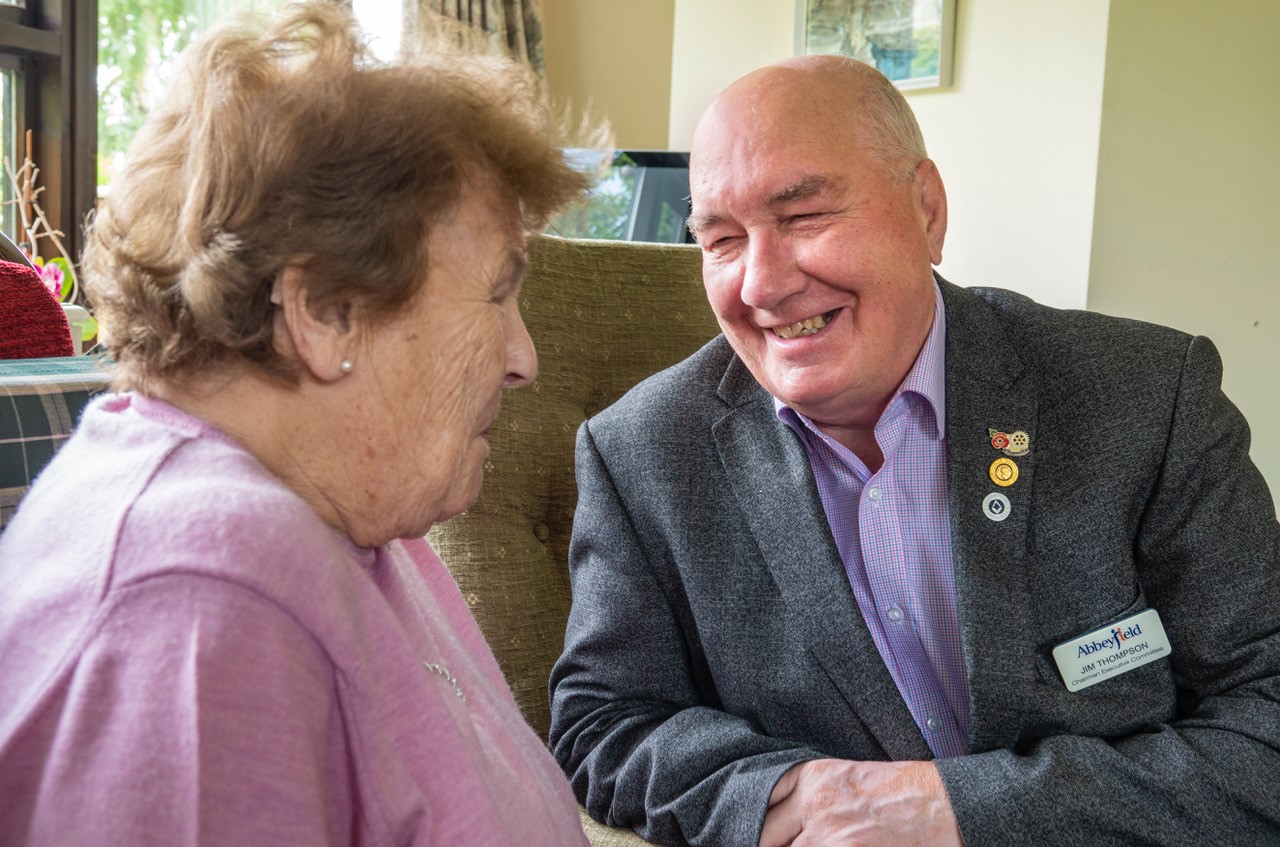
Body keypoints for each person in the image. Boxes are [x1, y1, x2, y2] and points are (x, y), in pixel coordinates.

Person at [549, 55, 1280, 847]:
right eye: (721, 240)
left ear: (927, 210)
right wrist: (799, 793)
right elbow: (604, 724)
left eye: (803, 218)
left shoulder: (1145, 397)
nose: (760, 284)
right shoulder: (642, 453)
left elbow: (1266, 717)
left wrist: (956, 809)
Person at [0, 4, 595, 844]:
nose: (523, 356)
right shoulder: (203, 598)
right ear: (326, 311)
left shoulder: (353, 510)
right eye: (498, 292)